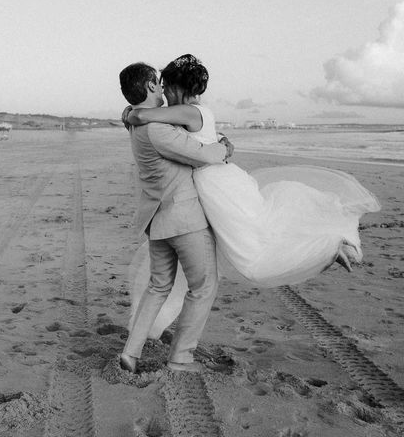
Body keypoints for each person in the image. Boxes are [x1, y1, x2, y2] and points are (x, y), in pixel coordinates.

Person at [123, 54, 381, 339]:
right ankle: (331, 246)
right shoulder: (189, 114)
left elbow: (146, 116)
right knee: (248, 239)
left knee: (251, 251)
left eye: (165, 86)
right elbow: (194, 136)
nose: (162, 92)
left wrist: (131, 113)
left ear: (175, 86)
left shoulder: (187, 111)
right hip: (209, 186)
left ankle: (331, 245)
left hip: (216, 185)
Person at [117, 62, 233, 373]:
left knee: (158, 286)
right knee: (204, 286)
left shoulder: (134, 124)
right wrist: (222, 146)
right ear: (152, 87)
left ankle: (131, 351)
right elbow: (203, 156)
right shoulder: (158, 131)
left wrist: (131, 110)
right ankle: (181, 357)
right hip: (184, 220)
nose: (163, 88)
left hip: (157, 222)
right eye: (158, 83)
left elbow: (134, 113)